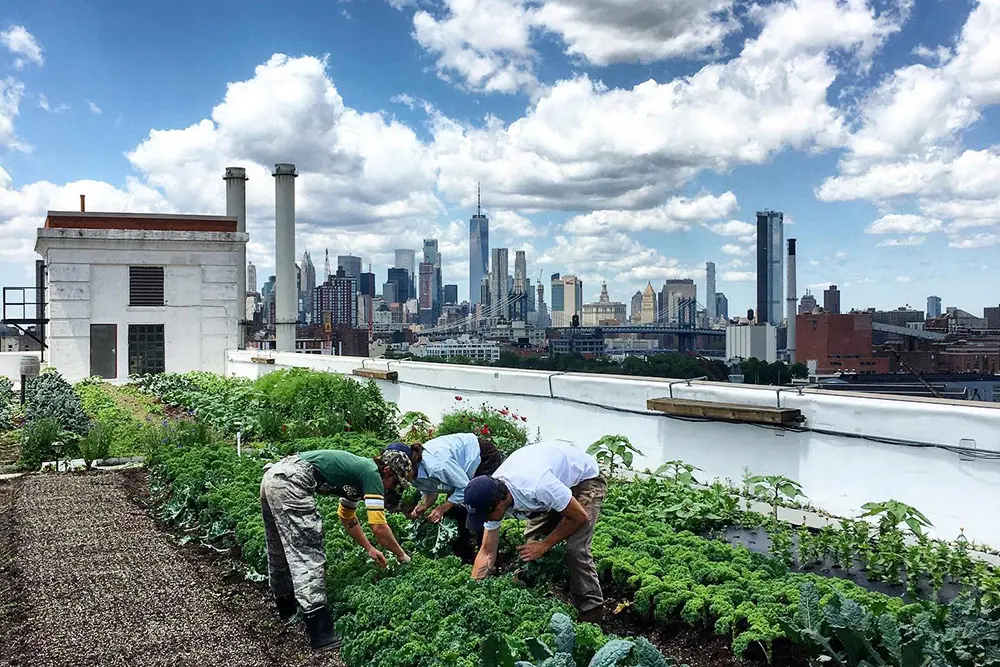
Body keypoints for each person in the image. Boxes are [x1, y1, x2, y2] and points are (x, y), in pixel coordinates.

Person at [259, 448, 413, 651]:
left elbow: (346, 515)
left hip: (275, 476)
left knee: (278, 548)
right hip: (291, 481)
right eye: (394, 483)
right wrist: (401, 555)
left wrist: (368, 548)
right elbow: (379, 526)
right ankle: (320, 631)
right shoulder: (371, 473)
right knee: (308, 552)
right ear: (386, 471)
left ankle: (286, 608)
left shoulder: (360, 475)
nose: (392, 490)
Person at [463, 440, 607, 622]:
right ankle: (538, 600)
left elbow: (579, 517)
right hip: (551, 484)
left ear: (499, 503)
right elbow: (487, 551)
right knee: (532, 543)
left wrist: (545, 545)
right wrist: (473, 592)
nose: (486, 520)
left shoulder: (538, 485)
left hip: (585, 481)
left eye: (486, 516)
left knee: (575, 549)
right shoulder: (491, 493)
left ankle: (591, 612)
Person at [386, 433, 504, 561]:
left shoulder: (437, 465)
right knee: (457, 513)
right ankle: (465, 559)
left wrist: (442, 508)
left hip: (481, 456)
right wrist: (424, 504)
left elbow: (465, 487)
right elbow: (431, 490)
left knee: (480, 509)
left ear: (410, 466)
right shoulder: (411, 471)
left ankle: (489, 559)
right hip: (460, 473)